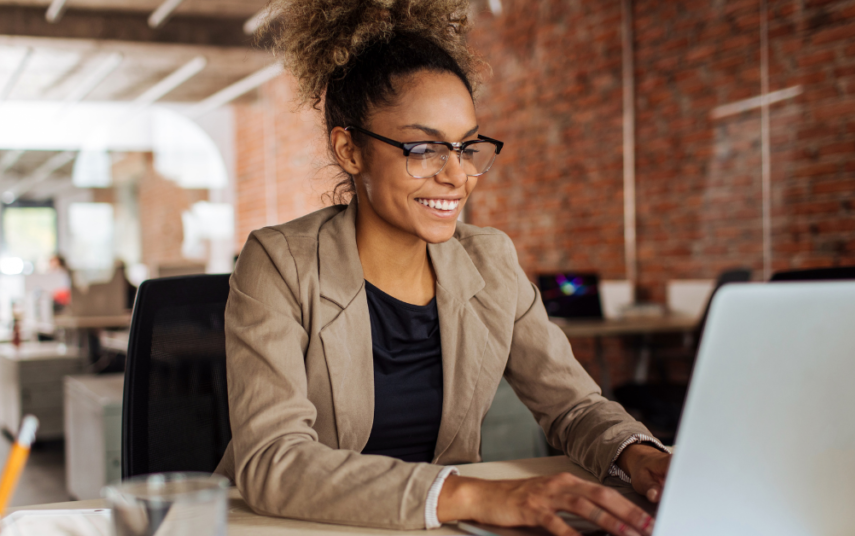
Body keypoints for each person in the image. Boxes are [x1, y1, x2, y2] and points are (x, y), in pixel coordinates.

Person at [217, 2, 672, 535]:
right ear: (349, 150)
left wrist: (639, 455)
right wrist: (476, 495)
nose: (458, 175)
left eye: (465, 147)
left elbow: (572, 406)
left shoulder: (491, 260)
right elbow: (275, 460)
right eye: (424, 148)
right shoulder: (279, 263)